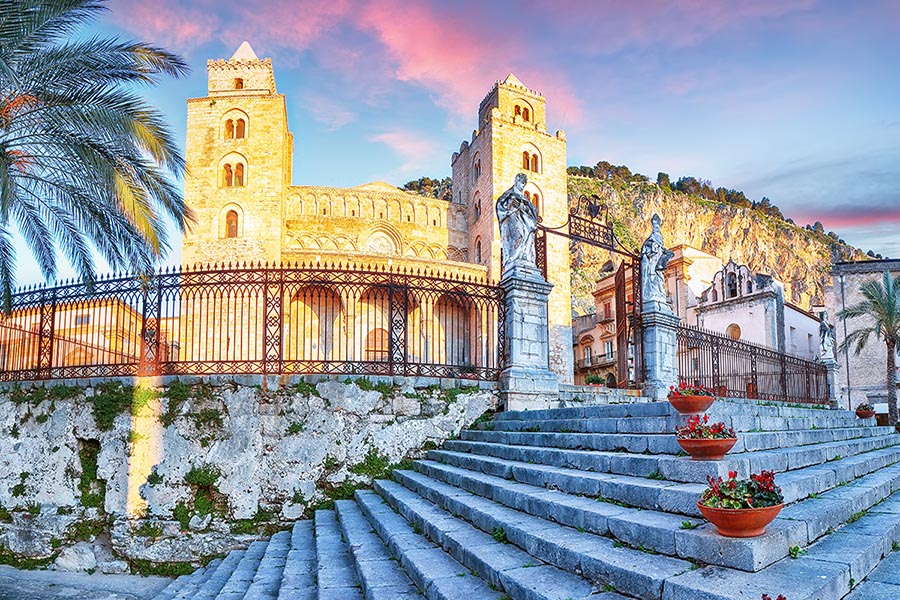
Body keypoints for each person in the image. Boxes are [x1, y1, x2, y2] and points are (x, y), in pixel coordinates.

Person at [496, 173, 538, 271]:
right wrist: (509, 207)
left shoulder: (524, 197)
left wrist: (522, 207)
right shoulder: (508, 194)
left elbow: (532, 210)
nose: (522, 186)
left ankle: (524, 258)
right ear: (516, 181)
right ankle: (513, 259)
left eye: (524, 184)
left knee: (526, 236)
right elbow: (500, 205)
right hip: (511, 217)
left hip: (524, 220)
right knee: (519, 235)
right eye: (521, 183)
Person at [640, 213, 674, 309]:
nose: (657, 228)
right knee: (651, 276)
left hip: (658, 263)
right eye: (655, 227)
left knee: (659, 278)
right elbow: (645, 250)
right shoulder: (649, 241)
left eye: (658, 227)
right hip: (651, 262)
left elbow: (662, 250)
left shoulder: (660, 238)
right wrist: (651, 249)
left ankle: (658, 294)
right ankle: (651, 294)